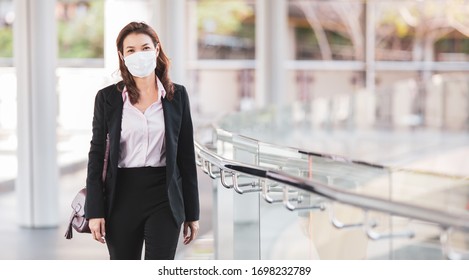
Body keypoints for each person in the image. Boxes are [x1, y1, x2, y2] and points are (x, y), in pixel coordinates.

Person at [84, 21, 200, 260]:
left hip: (164, 196)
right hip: (121, 196)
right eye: (131, 50)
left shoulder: (177, 96)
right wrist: (94, 210)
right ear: (122, 56)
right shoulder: (107, 99)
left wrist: (192, 212)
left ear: (157, 50)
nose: (139, 55)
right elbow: (96, 156)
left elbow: (186, 157)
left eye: (145, 47)